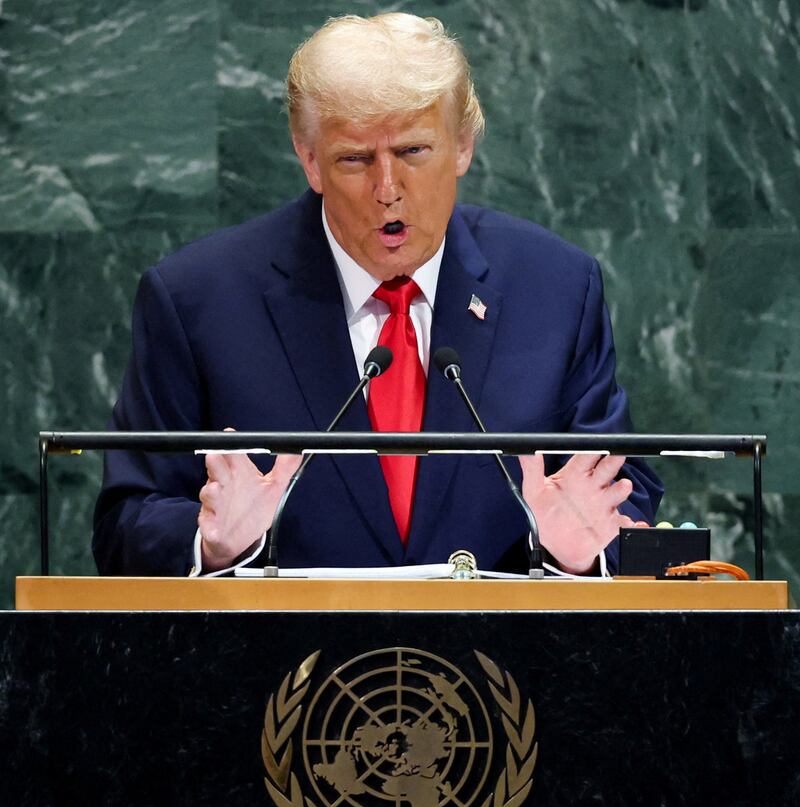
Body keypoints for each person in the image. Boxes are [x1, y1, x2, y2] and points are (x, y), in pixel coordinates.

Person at [93, 13, 662, 578]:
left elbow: (622, 491)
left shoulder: (555, 287)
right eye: (354, 159)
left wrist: (578, 555)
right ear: (309, 159)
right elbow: (126, 520)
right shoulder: (198, 299)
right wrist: (209, 545)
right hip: (282, 662)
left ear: (462, 146)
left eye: (414, 152)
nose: (387, 190)